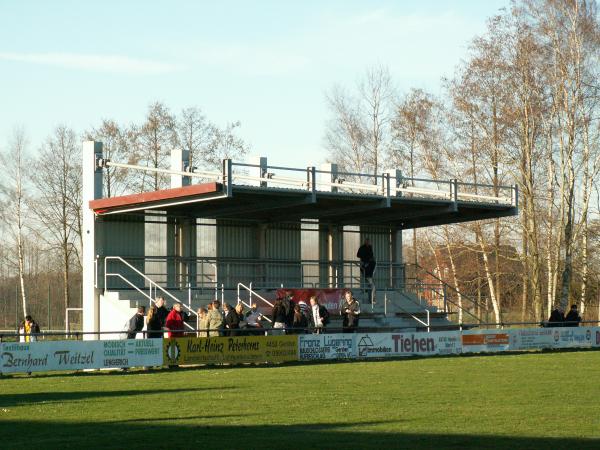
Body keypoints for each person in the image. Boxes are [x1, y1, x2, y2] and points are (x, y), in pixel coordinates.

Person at [357, 237, 376, 303]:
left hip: (368, 265)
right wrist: (364, 259)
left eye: (368, 241)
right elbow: (358, 255)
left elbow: (371, 255)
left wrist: (370, 259)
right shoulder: (362, 248)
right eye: (366, 241)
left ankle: (368, 290)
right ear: (365, 242)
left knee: (369, 281)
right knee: (368, 279)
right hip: (364, 264)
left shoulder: (370, 247)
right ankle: (367, 289)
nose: (367, 242)